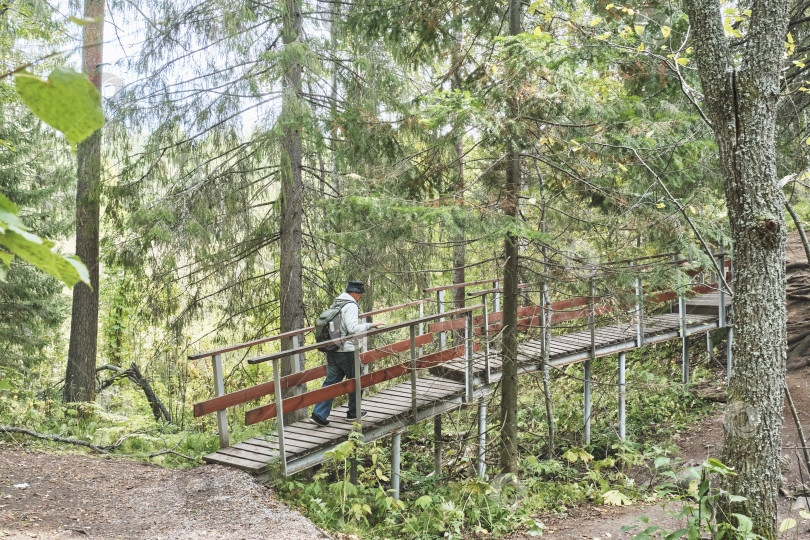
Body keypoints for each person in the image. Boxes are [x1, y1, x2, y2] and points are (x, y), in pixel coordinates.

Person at [311, 281, 383, 426]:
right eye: (360, 294)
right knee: (357, 380)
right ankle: (353, 413)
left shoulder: (337, 302)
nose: (361, 297)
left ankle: (319, 414)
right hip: (347, 350)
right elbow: (352, 328)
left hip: (333, 349)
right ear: (354, 293)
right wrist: (370, 325)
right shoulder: (350, 305)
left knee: (330, 383)